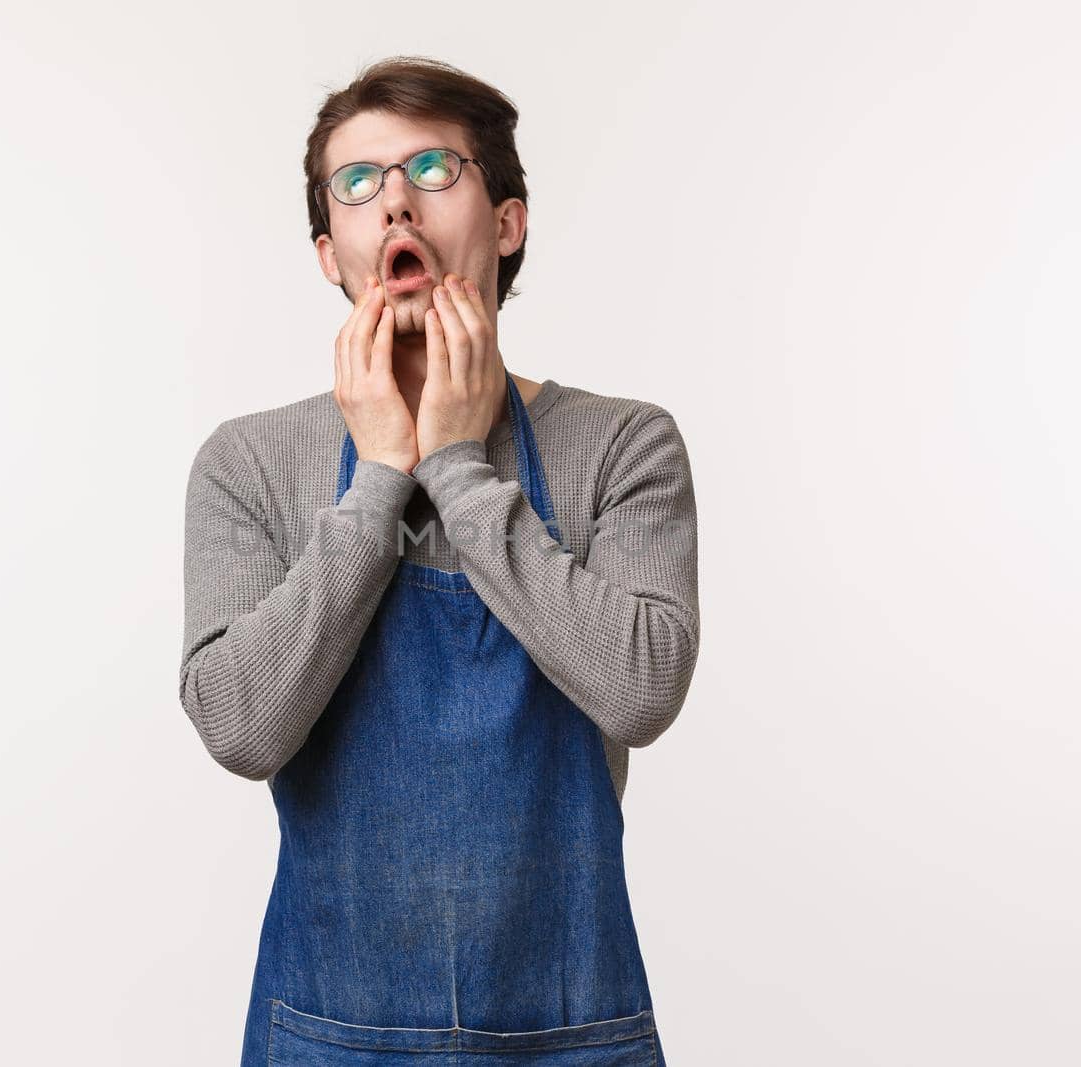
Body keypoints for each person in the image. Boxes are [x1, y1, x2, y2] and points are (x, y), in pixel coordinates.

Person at [180, 55, 699, 1065]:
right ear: (333, 253)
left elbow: (639, 691)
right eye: (360, 182)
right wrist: (379, 473)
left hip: (573, 1032)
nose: (398, 199)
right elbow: (241, 726)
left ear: (506, 221)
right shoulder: (249, 462)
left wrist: (459, 463)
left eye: (433, 166)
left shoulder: (624, 444)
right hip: (325, 1033)